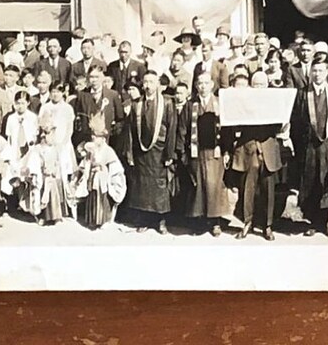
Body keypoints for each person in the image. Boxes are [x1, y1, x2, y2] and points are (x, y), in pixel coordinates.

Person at [291, 58, 328, 237]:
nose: (317, 74)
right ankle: (313, 222)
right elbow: (296, 122)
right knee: (312, 183)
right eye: (314, 71)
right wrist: (301, 146)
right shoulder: (302, 94)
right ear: (310, 73)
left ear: (326, 73)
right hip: (310, 148)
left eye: (321, 71)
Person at [227, 71, 286, 241]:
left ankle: (267, 226)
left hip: (267, 149)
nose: (259, 87)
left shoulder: (273, 102)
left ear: (266, 85)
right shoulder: (245, 102)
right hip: (249, 149)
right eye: (256, 84)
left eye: (262, 84)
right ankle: (247, 223)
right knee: (247, 188)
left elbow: (279, 125)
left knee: (269, 190)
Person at [177, 71, 229, 236]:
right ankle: (199, 221)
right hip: (196, 152)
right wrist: (183, 153)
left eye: (206, 83)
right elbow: (183, 130)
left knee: (214, 186)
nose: (203, 87)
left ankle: (215, 222)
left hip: (215, 152)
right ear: (196, 86)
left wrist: (226, 150)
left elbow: (228, 130)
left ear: (212, 85)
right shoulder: (190, 105)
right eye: (200, 83)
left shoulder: (220, 103)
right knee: (198, 186)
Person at [125, 70, 177, 234]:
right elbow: (131, 131)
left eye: (151, 82)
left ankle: (160, 221)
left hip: (159, 151)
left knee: (159, 187)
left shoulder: (167, 103)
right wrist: (130, 154)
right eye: (145, 82)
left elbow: (172, 129)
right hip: (141, 152)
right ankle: (145, 219)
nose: (148, 86)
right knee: (142, 187)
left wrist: (169, 154)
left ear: (158, 85)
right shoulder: (136, 104)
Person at [71, 112, 127, 230]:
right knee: (92, 197)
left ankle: (103, 219)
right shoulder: (91, 149)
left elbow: (115, 166)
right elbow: (84, 161)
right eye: (93, 136)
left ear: (103, 139)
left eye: (96, 137)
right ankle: (91, 219)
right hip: (92, 177)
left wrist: (104, 169)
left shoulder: (108, 151)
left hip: (103, 178)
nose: (94, 138)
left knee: (103, 199)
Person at [19, 118, 71, 226]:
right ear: (43, 136)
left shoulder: (57, 148)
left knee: (54, 191)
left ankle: (56, 216)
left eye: (52, 134)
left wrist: (56, 170)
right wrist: (37, 173)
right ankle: (43, 216)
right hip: (43, 176)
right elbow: (33, 163)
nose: (51, 137)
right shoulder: (37, 149)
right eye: (48, 135)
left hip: (54, 175)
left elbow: (60, 162)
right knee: (42, 192)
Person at [72, 65, 124, 149]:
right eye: (92, 77)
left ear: (103, 77)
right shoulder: (82, 95)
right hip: (87, 142)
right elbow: (78, 118)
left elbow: (120, 119)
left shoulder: (112, 95)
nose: (94, 80)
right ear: (88, 78)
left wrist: (111, 133)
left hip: (107, 141)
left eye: (97, 77)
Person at [39, 82, 77, 190]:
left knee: (63, 172)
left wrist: (63, 143)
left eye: (58, 92)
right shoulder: (45, 107)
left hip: (63, 143)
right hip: (48, 142)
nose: (55, 94)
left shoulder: (68, 108)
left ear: (63, 93)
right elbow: (41, 125)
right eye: (53, 91)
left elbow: (69, 128)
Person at [3, 91, 39, 167]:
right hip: (14, 151)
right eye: (18, 103)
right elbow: (9, 138)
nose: (20, 106)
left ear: (28, 103)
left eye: (23, 103)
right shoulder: (11, 118)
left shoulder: (33, 118)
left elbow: (35, 135)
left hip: (29, 150)